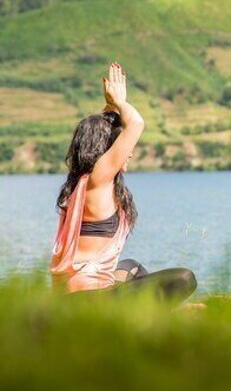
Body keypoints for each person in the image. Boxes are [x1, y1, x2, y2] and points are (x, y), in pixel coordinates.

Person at [50, 63, 197, 304]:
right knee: (184, 278)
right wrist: (120, 102)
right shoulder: (97, 179)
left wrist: (110, 107)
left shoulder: (84, 182)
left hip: (75, 296)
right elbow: (136, 124)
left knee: (132, 268)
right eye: (120, 146)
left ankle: (159, 317)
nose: (128, 153)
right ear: (104, 151)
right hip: (84, 301)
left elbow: (106, 130)